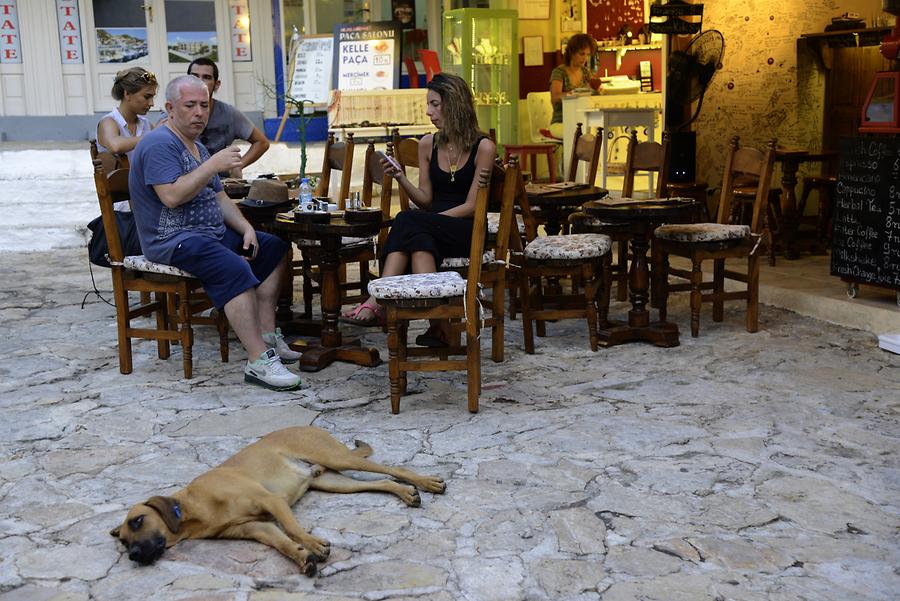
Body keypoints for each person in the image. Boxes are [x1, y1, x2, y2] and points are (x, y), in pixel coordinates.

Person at [129, 75, 302, 391]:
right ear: (169, 108)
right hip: (172, 240)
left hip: (207, 233)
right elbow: (171, 196)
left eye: (204, 105)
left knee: (273, 247)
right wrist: (212, 166)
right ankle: (258, 361)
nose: (199, 112)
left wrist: (246, 227)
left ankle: (267, 335)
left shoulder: (196, 146)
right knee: (233, 266)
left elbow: (219, 197)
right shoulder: (159, 144)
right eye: (190, 105)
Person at [340, 73, 496, 347]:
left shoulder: (483, 147)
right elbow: (425, 199)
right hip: (431, 228)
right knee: (419, 241)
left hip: (465, 229)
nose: (429, 112)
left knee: (409, 220)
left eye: (435, 104)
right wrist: (401, 177)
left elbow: (472, 206)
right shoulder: (428, 144)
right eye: (429, 104)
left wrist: (428, 220)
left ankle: (377, 300)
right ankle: (440, 327)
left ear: (455, 104)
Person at [186, 57, 270, 178]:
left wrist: (239, 165)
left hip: (220, 185)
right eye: (194, 77)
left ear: (216, 84)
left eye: (206, 77)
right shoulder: (174, 113)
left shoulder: (228, 113)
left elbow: (262, 142)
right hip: (186, 184)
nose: (199, 82)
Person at [96, 67, 158, 159]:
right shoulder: (108, 122)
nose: (152, 103)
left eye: (152, 97)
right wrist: (152, 137)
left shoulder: (146, 124)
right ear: (127, 94)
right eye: (147, 97)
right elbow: (115, 146)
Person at [547, 33, 599, 139]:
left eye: (588, 55)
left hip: (581, 120)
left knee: (597, 132)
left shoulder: (585, 72)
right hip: (561, 121)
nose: (585, 58)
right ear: (571, 53)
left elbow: (592, 94)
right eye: (582, 54)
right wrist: (574, 94)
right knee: (581, 134)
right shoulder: (559, 72)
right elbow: (555, 98)